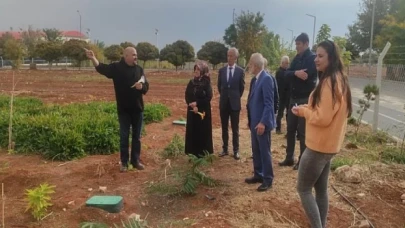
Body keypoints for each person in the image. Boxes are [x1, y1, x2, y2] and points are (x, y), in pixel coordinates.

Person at [292, 40, 352, 228]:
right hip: (329, 146)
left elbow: (323, 118)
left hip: (318, 147)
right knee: (321, 190)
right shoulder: (338, 78)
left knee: (303, 189)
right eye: (316, 55)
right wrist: (306, 107)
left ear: (331, 58)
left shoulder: (329, 83)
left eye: (320, 56)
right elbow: (324, 110)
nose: (316, 59)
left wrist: (303, 112)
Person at [84, 47, 149, 172]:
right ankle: (124, 163)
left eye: (136, 55)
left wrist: (141, 87)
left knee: (137, 137)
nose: (136, 57)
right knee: (124, 137)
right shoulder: (117, 68)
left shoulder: (139, 69)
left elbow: (146, 87)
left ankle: (135, 161)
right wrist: (93, 58)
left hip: (137, 109)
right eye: (134, 55)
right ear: (126, 56)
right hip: (124, 110)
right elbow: (102, 68)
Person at [278, 33, 317, 170]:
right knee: (290, 129)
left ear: (306, 44)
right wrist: (295, 73)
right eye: (296, 44)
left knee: (302, 132)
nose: (296, 47)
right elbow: (285, 74)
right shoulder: (296, 58)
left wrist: (296, 74)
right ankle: (289, 157)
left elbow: (308, 77)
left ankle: (303, 161)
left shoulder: (312, 59)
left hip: (305, 100)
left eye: (298, 44)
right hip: (293, 99)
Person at [245, 53, 275, 192]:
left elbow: (269, 104)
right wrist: (251, 120)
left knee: (264, 151)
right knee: (256, 150)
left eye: (250, 64)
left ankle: (268, 179)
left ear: (256, 66)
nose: (249, 67)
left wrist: (263, 122)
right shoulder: (256, 79)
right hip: (254, 122)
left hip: (262, 124)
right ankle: (258, 174)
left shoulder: (266, 79)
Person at [217, 48, 245, 160]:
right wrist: (225, 96)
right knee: (224, 127)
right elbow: (219, 86)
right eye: (228, 55)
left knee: (235, 128)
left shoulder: (240, 71)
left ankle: (236, 150)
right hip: (224, 103)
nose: (229, 58)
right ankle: (225, 149)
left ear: (236, 57)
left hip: (234, 104)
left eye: (231, 56)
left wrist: (234, 97)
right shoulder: (222, 71)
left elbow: (241, 88)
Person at [185, 60, 214, 157]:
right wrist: (191, 104)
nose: (196, 71)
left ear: (202, 70)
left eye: (198, 69)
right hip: (192, 111)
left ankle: (202, 153)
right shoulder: (191, 82)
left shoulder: (206, 83)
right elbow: (187, 95)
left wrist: (197, 104)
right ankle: (192, 152)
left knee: (202, 132)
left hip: (203, 112)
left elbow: (208, 97)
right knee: (193, 131)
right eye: (195, 69)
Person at [275, 56, 290, 134]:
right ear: (283, 63)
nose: (287, 65)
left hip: (287, 96)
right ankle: (278, 128)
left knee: (288, 113)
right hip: (281, 95)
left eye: (288, 63)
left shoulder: (287, 71)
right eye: (286, 63)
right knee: (280, 113)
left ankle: (289, 130)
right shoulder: (279, 72)